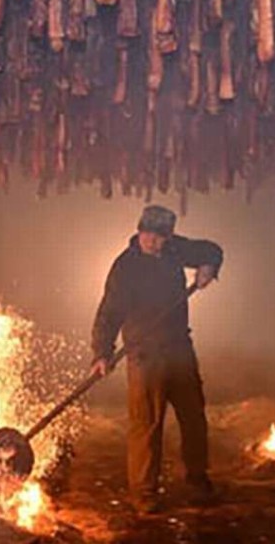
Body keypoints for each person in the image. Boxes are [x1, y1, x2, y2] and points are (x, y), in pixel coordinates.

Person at [90, 204, 224, 514]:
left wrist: (208, 267)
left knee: (193, 416)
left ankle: (197, 479)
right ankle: (144, 494)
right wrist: (102, 353)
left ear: (169, 235)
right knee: (146, 425)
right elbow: (109, 313)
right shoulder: (125, 268)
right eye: (149, 234)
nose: (154, 242)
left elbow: (212, 249)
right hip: (144, 355)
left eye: (161, 237)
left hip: (179, 348)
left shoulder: (174, 250)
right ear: (139, 231)